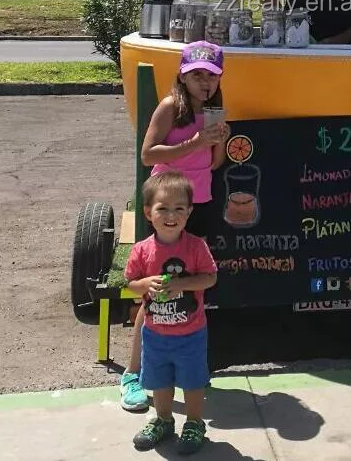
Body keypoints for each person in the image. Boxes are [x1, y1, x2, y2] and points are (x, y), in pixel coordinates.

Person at [119, 41, 229, 414]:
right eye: (197, 74)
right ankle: (134, 373)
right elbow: (148, 154)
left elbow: (212, 165)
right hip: (167, 203)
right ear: (182, 75)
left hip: (199, 204)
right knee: (154, 290)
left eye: (211, 76)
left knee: (188, 288)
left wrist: (218, 143)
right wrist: (196, 141)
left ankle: (186, 368)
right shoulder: (170, 108)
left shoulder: (214, 110)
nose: (205, 83)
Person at [125, 171, 218, 454]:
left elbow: (210, 278)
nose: (171, 215)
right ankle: (164, 420)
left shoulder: (196, 246)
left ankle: (194, 422)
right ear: (147, 212)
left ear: (189, 212)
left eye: (179, 208)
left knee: (192, 382)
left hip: (190, 333)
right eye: (162, 208)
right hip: (155, 334)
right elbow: (130, 284)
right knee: (160, 382)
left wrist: (180, 283)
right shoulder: (142, 251)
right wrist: (144, 284)